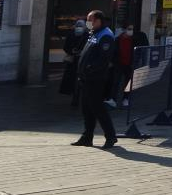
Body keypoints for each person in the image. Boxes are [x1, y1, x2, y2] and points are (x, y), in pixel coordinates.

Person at [72, 10, 117, 149]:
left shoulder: (106, 35)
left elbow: (103, 60)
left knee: (98, 108)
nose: (88, 23)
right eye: (87, 20)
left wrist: (89, 69)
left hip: (95, 79)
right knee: (87, 108)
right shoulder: (94, 33)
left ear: (98, 21)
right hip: (86, 78)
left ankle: (110, 137)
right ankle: (87, 137)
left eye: (90, 20)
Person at [112, 23, 149, 108]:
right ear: (124, 29)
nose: (131, 31)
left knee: (128, 82)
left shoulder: (135, 39)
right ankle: (113, 99)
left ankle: (125, 99)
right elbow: (114, 51)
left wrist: (139, 63)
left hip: (130, 64)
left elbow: (142, 50)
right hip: (119, 64)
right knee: (116, 82)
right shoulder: (118, 39)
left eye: (132, 29)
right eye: (129, 29)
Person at [59, 20, 87, 107]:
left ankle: (76, 97)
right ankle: (75, 97)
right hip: (77, 61)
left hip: (78, 61)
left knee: (77, 80)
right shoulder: (85, 35)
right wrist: (74, 51)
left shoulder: (85, 35)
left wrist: (74, 51)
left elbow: (65, 47)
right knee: (76, 80)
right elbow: (66, 47)